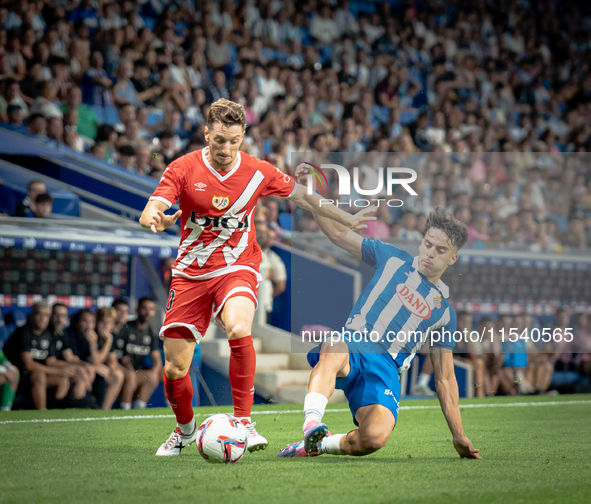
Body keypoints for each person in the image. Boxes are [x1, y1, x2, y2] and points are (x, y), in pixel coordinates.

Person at [139, 98, 373, 456]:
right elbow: (156, 204)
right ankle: (185, 431)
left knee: (238, 326)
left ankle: (244, 422)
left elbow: (306, 198)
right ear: (206, 134)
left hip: (238, 264)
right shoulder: (183, 168)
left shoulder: (257, 171)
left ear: (243, 136)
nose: (226, 148)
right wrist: (153, 216)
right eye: (219, 140)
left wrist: (347, 219)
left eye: (234, 141)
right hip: (190, 272)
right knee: (175, 367)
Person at [279, 171, 480, 459]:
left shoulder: (444, 313)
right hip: (353, 343)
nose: (429, 253)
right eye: (427, 244)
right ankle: (312, 424)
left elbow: (445, 378)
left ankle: (316, 445)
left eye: (440, 250)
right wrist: (307, 192)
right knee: (334, 346)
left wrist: (458, 435)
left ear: (453, 258)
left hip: (386, 371)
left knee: (373, 438)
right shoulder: (391, 256)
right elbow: (338, 233)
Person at [3, 303, 81, 410]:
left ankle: (55, 410)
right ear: (31, 315)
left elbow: (50, 361)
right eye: (39, 314)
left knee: (63, 380)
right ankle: (42, 412)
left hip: (39, 374)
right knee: (39, 375)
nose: (43, 319)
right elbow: (28, 365)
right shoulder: (24, 332)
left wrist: (67, 369)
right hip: (19, 375)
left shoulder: (48, 334)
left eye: (46, 315)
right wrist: (57, 371)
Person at [113, 298, 161, 410]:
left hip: (137, 371)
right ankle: (125, 408)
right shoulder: (126, 328)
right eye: (144, 308)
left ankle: (139, 409)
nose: (148, 312)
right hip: (123, 369)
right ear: (137, 310)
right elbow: (124, 357)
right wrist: (130, 371)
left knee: (155, 375)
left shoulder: (151, 332)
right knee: (133, 376)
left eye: (151, 309)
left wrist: (155, 371)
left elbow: (156, 358)